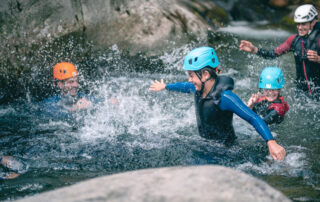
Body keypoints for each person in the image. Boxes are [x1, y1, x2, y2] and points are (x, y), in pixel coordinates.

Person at [149, 47, 286, 161]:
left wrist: (271, 142)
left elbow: (253, 118)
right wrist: (166, 86)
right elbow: (184, 86)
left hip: (225, 151)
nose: (189, 79)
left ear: (205, 75)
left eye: (191, 75)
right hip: (205, 144)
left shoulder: (225, 97)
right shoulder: (197, 88)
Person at [239, 4, 320, 99]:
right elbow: (273, 54)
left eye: (303, 24)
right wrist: (254, 50)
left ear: (313, 22)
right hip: (301, 94)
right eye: (298, 24)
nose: (300, 27)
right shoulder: (294, 41)